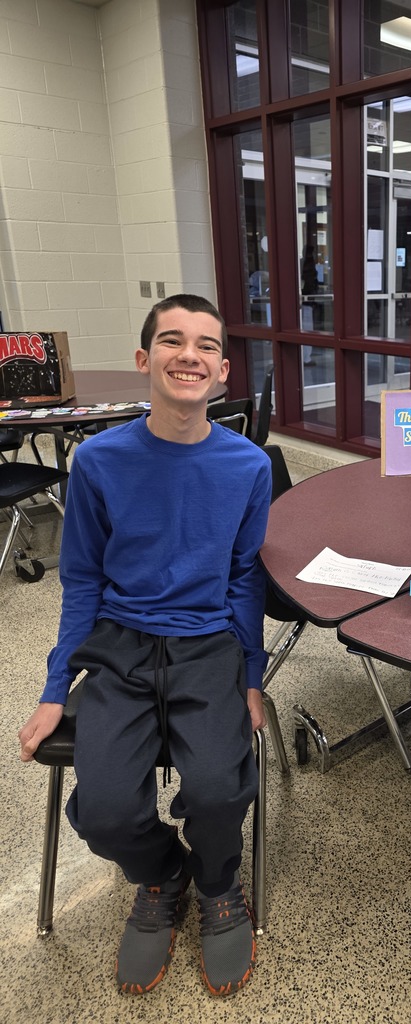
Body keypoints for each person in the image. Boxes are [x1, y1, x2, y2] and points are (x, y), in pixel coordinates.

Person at [18, 294, 272, 998]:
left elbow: (244, 578)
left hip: (208, 646)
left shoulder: (248, 466)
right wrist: (54, 688)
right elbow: (82, 580)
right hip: (121, 648)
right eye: (171, 340)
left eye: (205, 345)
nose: (189, 354)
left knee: (220, 790)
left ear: (222, 370)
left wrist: (251, 676)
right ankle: (164, 874)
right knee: (103, 813)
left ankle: (218, 883)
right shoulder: (99, 461)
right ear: (144, 358)